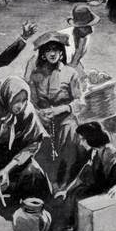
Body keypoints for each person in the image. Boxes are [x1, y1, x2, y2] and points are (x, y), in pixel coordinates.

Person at [28, 32, 83, 188]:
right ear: (43, 54)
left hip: (65, 119)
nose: (52, 53)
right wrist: (39, 114)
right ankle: (44, 183)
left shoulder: (71, 73)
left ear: (61, 53)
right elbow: (32, 102)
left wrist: (61, 110)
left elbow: (80, 102)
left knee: (70, 133)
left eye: (56, 50)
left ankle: (65, 181)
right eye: (48, 50)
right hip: (42, 119)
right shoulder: (36, 75)